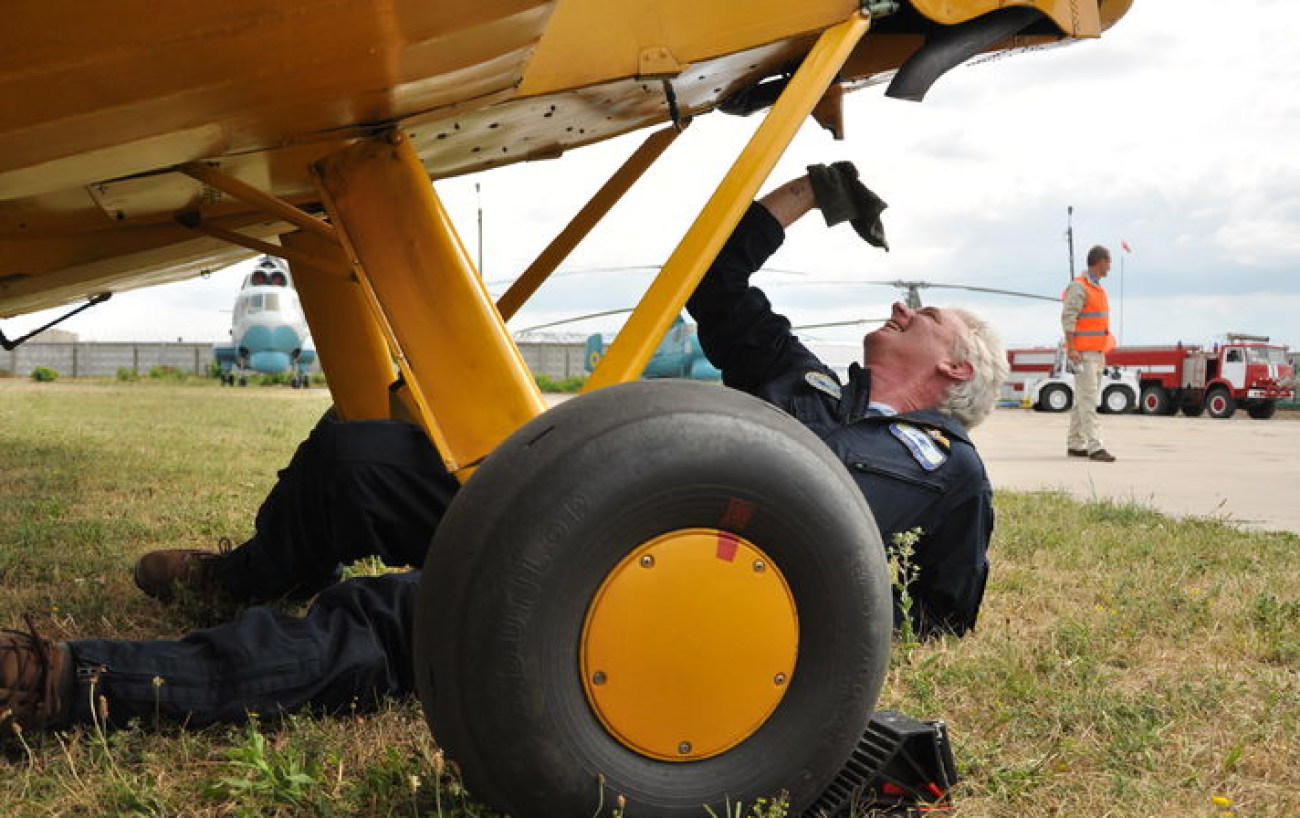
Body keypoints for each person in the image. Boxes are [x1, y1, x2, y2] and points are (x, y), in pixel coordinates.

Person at [1, 163, 1008, 735]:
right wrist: (808, 192)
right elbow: (718, 283)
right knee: (364, 454)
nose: (903, 305)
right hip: (591, 497)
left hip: (652, 579)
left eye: (928, 314)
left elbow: (942, 609)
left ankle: (73, 681)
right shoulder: (802, 383)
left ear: (957, 372)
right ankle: (246, 572)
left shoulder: (947, 471)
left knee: (382, 618)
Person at [1061, 245, 1116, 462]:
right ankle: (1095, 446)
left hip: (1097, 352)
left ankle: (1075, 443)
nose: (1110, 267)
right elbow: (1068, 318)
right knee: (1089, 399)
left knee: (1082, 400)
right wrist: (1071, 348)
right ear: (1099, 261)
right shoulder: (1079, 287)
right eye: (1108, 262)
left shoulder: (1097, 288)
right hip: (1083, 354)